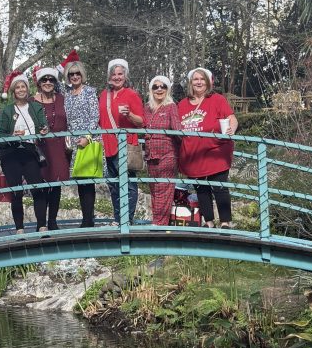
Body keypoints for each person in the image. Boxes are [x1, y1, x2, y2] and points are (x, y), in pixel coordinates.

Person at [177, 67, 238, 228]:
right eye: (195, 79)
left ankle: (225, 221)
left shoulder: (217, 99)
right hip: (193, 153)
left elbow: (231, 118)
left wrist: (231, 129)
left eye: (202, 79)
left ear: (208, 82)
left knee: (219, 186)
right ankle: (208, 221)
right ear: (191, 83)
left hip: (215, 152)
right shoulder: (182, 104)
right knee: (201, 189)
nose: (199, 82)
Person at [0, 74, 49, 234]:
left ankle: (42, 225)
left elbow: (43, 125)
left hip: (29, 150)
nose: (20, 90)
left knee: (38, 188)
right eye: (17, 87)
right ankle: (19, 228)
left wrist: (44, 130)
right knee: (16, 191)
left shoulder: (36, 107)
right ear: (13, 91)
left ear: (27, 89)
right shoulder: (7, 110)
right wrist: (11, 136)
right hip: (11, 153)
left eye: (23, 86)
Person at [99, 58, 144, 224]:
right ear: (109, 76)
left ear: (125, 76)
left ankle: (127, 219)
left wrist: (129, 115)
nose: (117, 77)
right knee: (113, 184)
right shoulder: (104, 95)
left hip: (125, 145)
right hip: (108, 145)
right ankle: (118, 218)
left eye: (120, 74)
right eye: (114, 74)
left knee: (128, 183)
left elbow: (141, 122)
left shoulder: (132, 94)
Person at [34, 67, 70, 230]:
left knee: (56, 185)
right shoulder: (31, 101)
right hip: (40, 148)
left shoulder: (62, 99)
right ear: (39, 83)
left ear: (55, 82)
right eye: (44, 80)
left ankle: (52, 222)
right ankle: (41, 224)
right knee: (40, 186)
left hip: (59, 147)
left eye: (51, 80)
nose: (48, 82)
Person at [64, 60, 99, 228]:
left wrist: (87, 136)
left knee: (88, 181)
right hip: (73, 142)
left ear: (82, 75)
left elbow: (95, 117)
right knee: (79, 180)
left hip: (88, 140)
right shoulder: (67, 94)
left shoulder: (90, 92)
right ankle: (86, 217)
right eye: (72, 74)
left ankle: (88, 220)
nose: (75, 76)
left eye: (78, 73)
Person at [144, 75, 181, 226]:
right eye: (155, 86)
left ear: (168, 89)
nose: (159, 89)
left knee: (163, 189)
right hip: (151, 154)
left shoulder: (171, 106)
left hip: (167, 154)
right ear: (151, 90)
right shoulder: (147, 108)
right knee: (154, 189)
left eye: (163, 86)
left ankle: (159, 223)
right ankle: (157, 221)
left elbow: (178, 129)